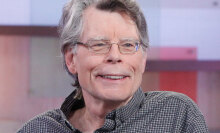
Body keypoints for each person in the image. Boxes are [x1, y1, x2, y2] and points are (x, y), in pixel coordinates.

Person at [17, 0, 208, 132]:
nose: (115, 56)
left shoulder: (177, 115)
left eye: (127, 45)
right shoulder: (39, 129)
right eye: (99, 44)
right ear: (71, 59)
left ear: (142, 59)